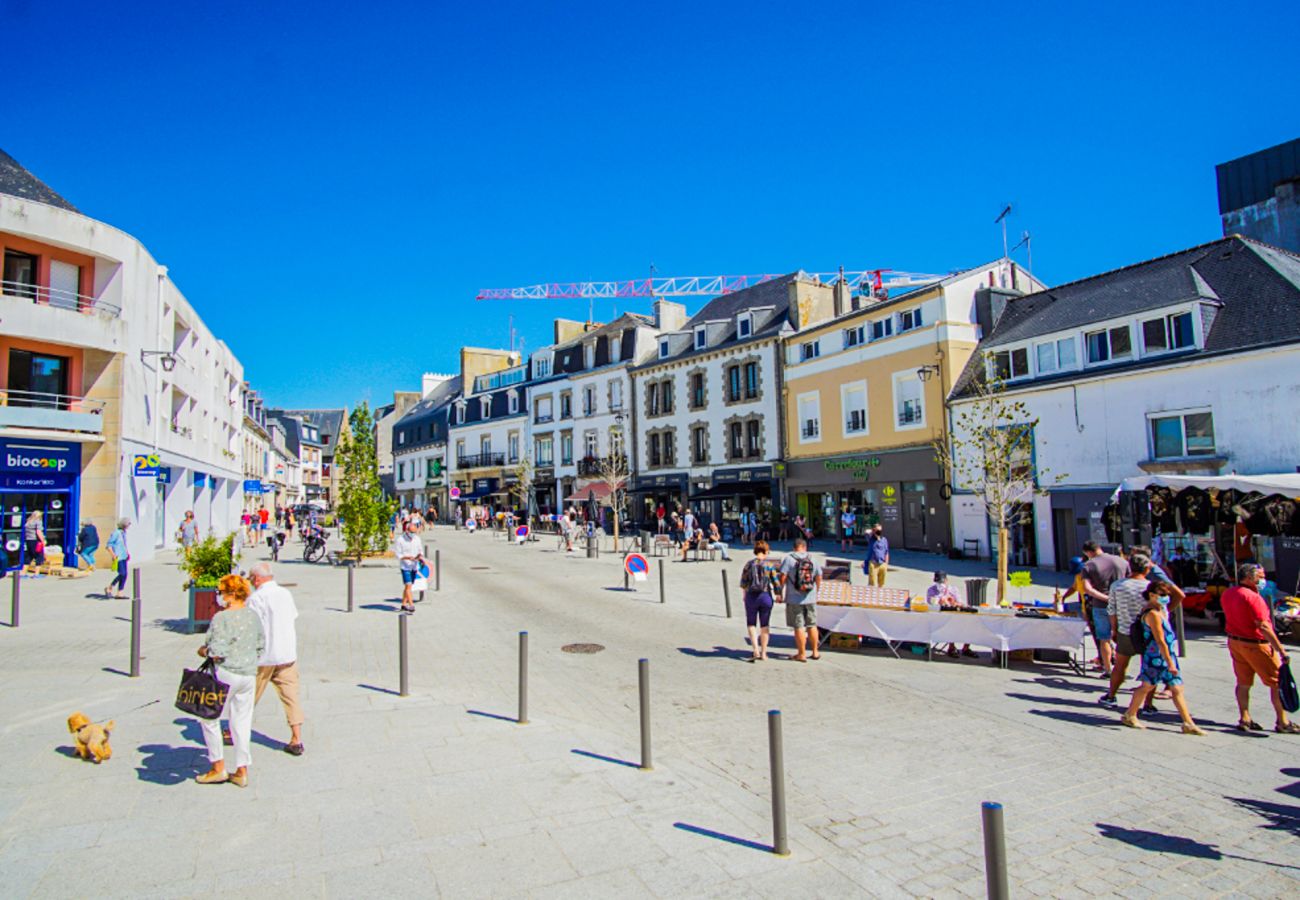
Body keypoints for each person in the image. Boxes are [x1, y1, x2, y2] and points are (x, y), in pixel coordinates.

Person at [195, 574, 265, 786]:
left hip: (226, 672)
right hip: (248, 673)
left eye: (221, 592)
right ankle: (242, 770)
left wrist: (203, 650)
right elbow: (261, 645)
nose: (219, 596)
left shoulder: (222, 618)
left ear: (231, 594)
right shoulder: (253, 616)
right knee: (242, 722)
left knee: (209, 718)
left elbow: (215, 651)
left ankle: (218, 767)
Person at [1221, 563, 1300, 734]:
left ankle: (1245, 717)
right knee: (1276, 682)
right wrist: (1280, 649)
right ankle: (1282, 721)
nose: (1262, 580)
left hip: (1235, 642)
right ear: (1249, 578)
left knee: (1243, 682)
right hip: (1256, 644)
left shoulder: (1228, 593)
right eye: (1260, 577)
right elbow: (1263, 626)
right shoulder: (1253, 598)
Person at [1120, 583, 1205, 735]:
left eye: (1166, 595)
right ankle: (1130, 714)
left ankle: (1188, 723)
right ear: (1152, 595)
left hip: (1165, 656)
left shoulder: (1160, 611)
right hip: (1157, 657)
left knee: (1176, 688)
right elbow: (1160, 640)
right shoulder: (1152, 614)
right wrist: (1170, 663)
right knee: (1147, 686)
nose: (1165, 598)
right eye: (1162, 595)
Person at [247, 562, 305, 756]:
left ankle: (233, 731)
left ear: (256, 579)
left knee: (248, 697)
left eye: (250, 578)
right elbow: (293, 616)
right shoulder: (285, 594)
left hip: (264, 657)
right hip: (287, 653)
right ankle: (296, 738)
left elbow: (251, 626)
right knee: (291, 697)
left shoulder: (256, 598)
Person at [1099, 553, 1157, 710]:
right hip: (1149, 632)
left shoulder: (1118, 586)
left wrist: (1114, 629)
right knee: (1150, 667)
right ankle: (1148, 704)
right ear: (1146, 569)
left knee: (1120, 665)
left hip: (1126, 630)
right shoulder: (1151, 587)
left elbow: (1112, 609)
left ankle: (1111, 696)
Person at [1080, 540, 1129, 678]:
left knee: (1104, 638)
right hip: (1121, 605)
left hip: (1101, 605)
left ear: (1088, 552)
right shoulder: (1121, 561)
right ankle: (1122, 669)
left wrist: (1105, 598)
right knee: (1122, 638)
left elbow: (1087, 589)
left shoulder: (1089, 565)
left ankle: (1108, 669)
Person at [778, 536, 822, 662]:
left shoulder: (789, 559)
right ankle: (815, 652)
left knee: (799, 626)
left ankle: (801, 654)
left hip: (794, 598)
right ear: (805, 547)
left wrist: (780, 592)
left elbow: (783, 577)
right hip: (811, 597)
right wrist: (816, 590)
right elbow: (819, 576)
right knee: (812, 624)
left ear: (794, 547)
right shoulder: (813, 558)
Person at [740, 541, 779, 661]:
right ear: (766, 551)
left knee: (751, 624)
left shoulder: (748, 564)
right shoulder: (769, 565)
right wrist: (778, 594)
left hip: (752, 596)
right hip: (765, 596)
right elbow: (776, 583)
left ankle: (755, 650)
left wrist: (745, 595)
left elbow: (743, 583)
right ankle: (764, 653)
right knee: (765, 625)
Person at [927, 572, 975, 658]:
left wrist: (953, 602)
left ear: (946, 580)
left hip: (955, 614)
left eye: (942, 582)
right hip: (939, 617)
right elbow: (930, 602)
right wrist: (939, 601)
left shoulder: (953, 589)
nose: (940, 584)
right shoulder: (931, 590)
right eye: (938, 582)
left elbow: (960, 603)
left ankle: (966, 647)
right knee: (951, 624)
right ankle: (951, 647)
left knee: (971, 622)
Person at [394, 520, 424, 613]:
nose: (413, 534)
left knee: (409, 587)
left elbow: (420, 550)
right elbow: (398, 554)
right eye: (411, 532)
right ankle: (411, 605)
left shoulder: (417, 539)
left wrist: (420, 557)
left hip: (414, 566)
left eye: (414, 532)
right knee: (408, 585)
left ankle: (403, 604)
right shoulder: (400, 540)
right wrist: (406, 557)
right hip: (405, 566)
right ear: (407, 530)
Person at [105, 518, 130, 598]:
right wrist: (113, 555)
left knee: (125, 574)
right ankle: (110, 587)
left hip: (124, 556)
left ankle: (120, 592)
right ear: (124, 524)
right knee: (122, 573)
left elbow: (123, 545)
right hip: (118, 557)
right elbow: (108, 545)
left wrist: (127, 553)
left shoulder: (123, 533)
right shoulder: (116, 533)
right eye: (128, 524)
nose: (129, 526)